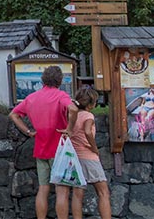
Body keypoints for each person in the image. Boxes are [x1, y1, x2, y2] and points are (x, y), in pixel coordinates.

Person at [10, 65, 79, 219]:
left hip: (41, 148)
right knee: (62, 190)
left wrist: (28, 132)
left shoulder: (31, 98)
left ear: (43, 80)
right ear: (60, 80)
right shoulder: (61, 95)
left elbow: (14, 114)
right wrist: (69, 128)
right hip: (59, 150)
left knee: (43, 189)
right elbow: (73, 109)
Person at [69, 87, 110, 219]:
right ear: (91, 103)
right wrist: (94, 148)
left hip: (75, 156)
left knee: (77, 193)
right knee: (103, 192)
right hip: (88, 156)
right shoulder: (88, 115)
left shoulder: (72, 115)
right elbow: (87, 131)